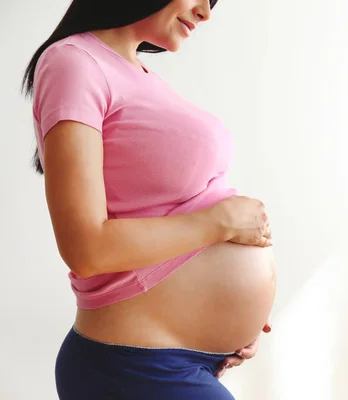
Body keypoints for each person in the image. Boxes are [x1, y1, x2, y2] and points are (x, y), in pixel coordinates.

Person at [21, 0, 277, 398]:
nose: (205, 13)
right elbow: (84, 248)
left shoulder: (142, 77)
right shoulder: (74, 61)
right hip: (134, 366)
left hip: (181, 362)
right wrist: (221, 222)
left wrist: (228, 326)